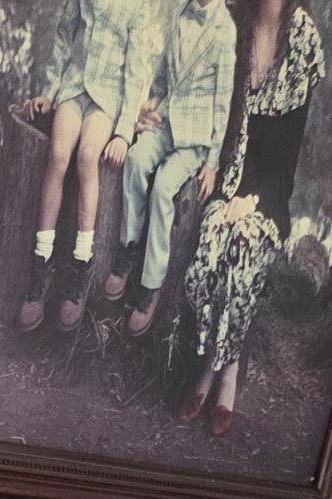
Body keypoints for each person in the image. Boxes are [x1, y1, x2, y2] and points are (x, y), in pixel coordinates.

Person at [181, 0, 326, 436]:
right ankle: (226, 358)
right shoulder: (231, 19)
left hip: (270, 193)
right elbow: (199, 96)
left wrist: (256, 199)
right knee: (213, 235)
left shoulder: (302, 37)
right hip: (229, 176)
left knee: (244, 241)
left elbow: (288, 158)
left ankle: (217, 372)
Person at [18, 0, 162, 333]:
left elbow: (137, 72)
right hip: (73, 89)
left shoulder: (139, 8)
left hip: (106, 100)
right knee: (57, 155)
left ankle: (80, 267)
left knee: (88, 156)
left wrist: (124, 133)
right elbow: (63, 39)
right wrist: (48, 94)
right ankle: (41, 267)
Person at [104, 0, 237, 337]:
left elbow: (222, 104)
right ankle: (128, 247)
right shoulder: (179, 9)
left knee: (164, 186)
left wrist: (212, 162)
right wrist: (149, 105)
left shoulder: (224, 30)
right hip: (165, 123)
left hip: (194, 139)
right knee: (135, 160)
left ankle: (151, 283)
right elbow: (164, 73)